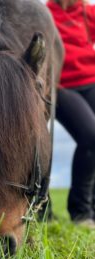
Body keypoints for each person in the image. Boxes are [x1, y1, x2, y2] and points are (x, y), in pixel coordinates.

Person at [47, 0, 95, 227]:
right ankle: (81, 212)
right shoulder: (44, 12)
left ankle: (92, 209)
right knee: (91, 135)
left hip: (91, 81)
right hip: (61, 86)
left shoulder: (87, 12)